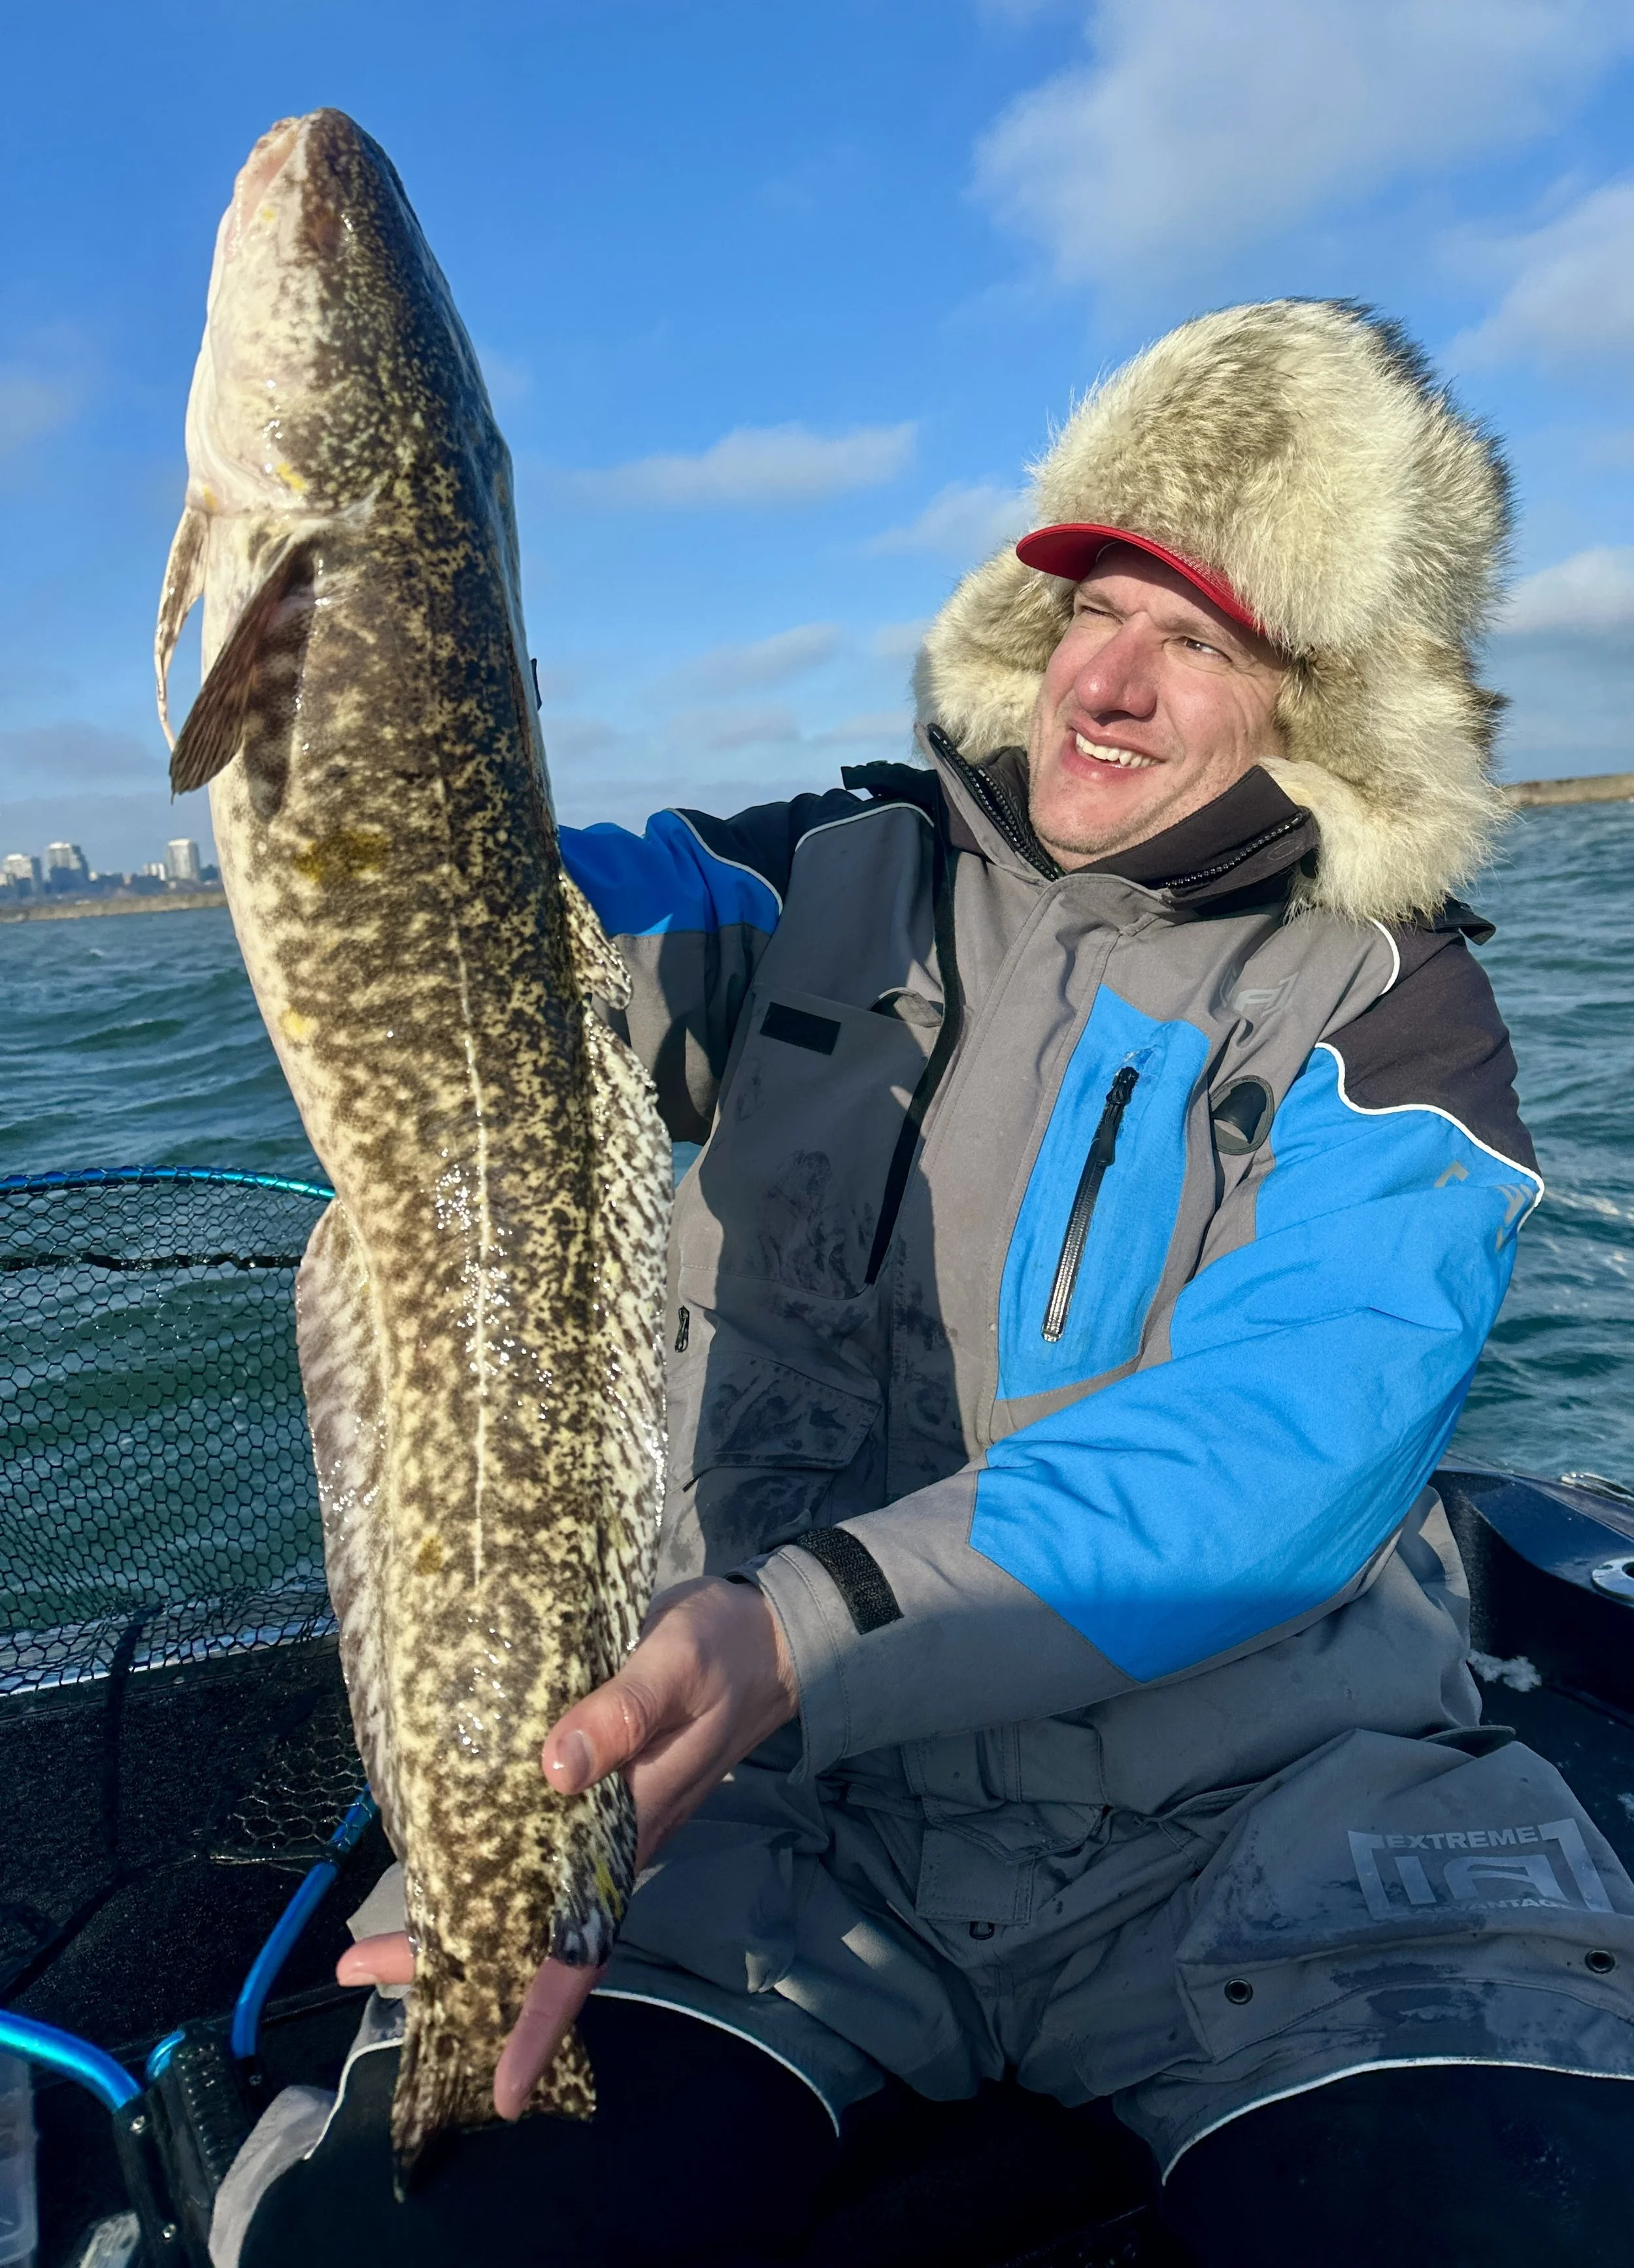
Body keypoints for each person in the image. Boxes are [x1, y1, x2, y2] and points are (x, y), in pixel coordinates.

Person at [235, 300, 1634, 2268]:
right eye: (1094, 611)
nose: (1109, 683)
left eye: (1201, 641)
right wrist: (341, 665)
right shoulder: (808, 871)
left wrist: (802, 1628)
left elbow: (1276, 1450)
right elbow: (467, 933)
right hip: (745, 1809)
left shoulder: (1400, 1011)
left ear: (1321, 702)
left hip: (1256, 1824)